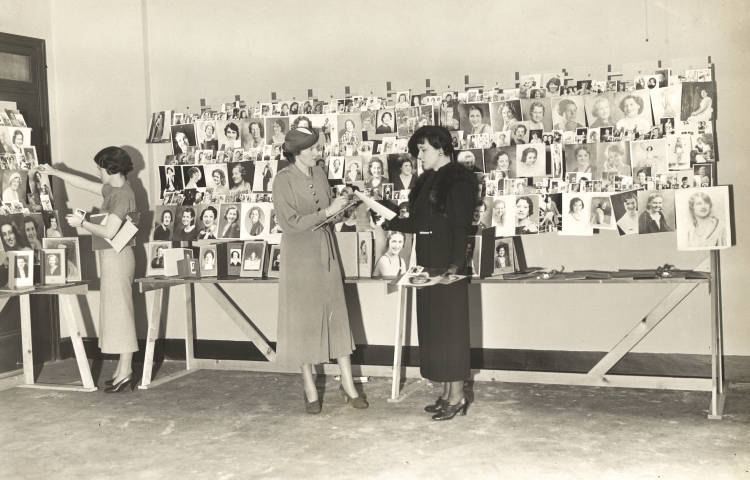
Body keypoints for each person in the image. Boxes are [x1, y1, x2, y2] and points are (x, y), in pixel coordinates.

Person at [375, 125, 476, 420]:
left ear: (442, 148)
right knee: (435, 330)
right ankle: (446, 392)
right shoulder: (427, 179)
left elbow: (460, 227)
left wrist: (454, 268)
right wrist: (383, 214)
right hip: (427, 263)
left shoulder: (458, 179)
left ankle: (457, 397)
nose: (419, 155)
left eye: (424, 149)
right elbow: (417, 223)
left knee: (451, 332)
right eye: (418, 149)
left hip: (448, 263)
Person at [272, 125, 367, 414]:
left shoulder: (320, 173)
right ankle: (309, 386)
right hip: (299, 258)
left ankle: (348, 384)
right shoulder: (282, 180)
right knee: (304, 321)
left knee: (337, 315)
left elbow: (328, 214)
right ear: (298, 153)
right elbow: (290, 223)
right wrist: (328, 211)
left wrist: (345, 204)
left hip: (326, 252)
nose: (319, 152)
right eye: (313, 148)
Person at [37, 147, 138, 393]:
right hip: (112, 256)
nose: (98, 173)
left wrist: (81, 223)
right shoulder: (115, 188)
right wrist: (54, 172)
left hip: (117, 255)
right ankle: (122, 370)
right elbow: (85, 184)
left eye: (100, 169)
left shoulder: (122, 195)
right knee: (117, 313)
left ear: (111, 169)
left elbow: (109, 232)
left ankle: (126, 370)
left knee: (120, 313)